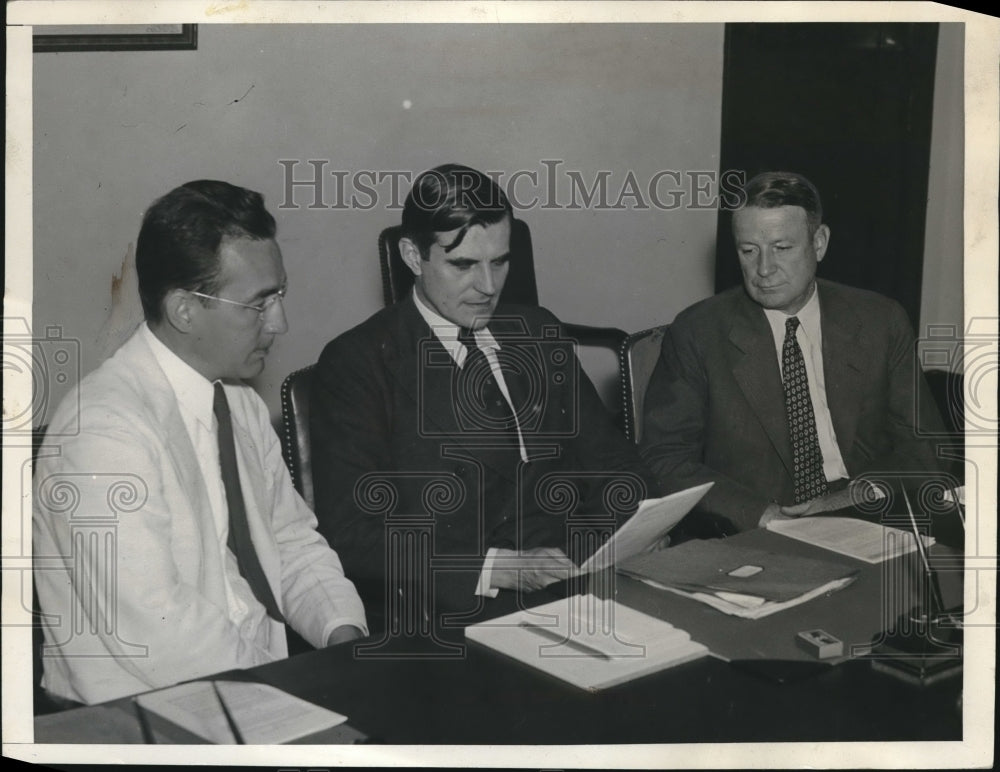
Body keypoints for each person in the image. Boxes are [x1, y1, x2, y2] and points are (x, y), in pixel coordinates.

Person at [33, 180, 367, 706]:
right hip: (134, 716)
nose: (281, 322)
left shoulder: (237, 402)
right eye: (259, 304)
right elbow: (153, 629)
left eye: (280, 295)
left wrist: (343, 638)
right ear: (185, 310)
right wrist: (297, 689)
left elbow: (293, 543)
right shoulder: (102, 429)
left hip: (253, 687)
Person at [310, 164, 658, 631]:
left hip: (581, 585)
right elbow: (354, 537)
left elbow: (613, 461)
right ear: (413, 256)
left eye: (500, 261)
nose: (489, 287)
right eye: (463, 265)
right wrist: (497, 567)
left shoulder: (538, 331)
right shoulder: (359, 363)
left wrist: (638, 525)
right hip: (457, 612)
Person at [640, 171, 944, 536]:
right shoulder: (698, 331)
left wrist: (852, 496)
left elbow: (925, 447)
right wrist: (762, 514)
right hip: (755, 525)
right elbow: (665, 459)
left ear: (819, 242)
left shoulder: (880, 319)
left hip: (866, 510)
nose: (764, 269)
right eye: (748, 250)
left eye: (782, 248)